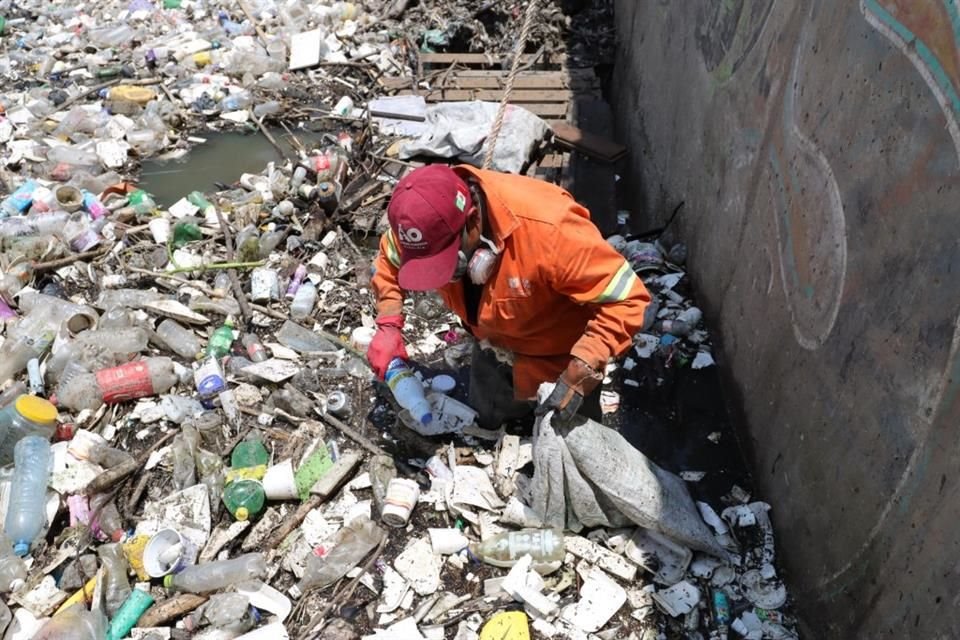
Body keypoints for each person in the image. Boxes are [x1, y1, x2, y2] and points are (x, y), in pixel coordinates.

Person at [368, 163, 652, 429]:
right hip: (492, 348)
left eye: (445, 262)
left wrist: (584, 366)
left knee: (569, 439)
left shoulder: (550, 230)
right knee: (487, 422)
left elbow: (627, 299)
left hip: (560, 362)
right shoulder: (422, 225)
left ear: (472, 220)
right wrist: (388, 322)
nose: (442, 277)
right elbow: (388, 260)